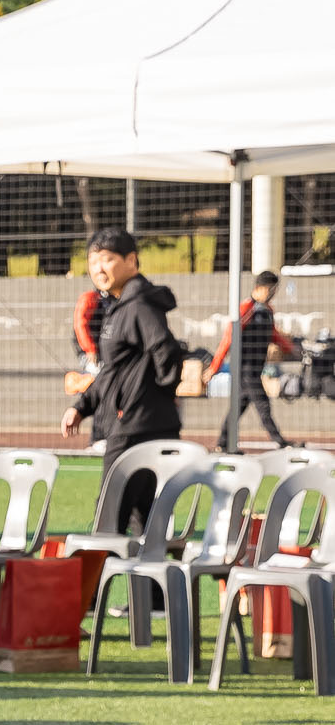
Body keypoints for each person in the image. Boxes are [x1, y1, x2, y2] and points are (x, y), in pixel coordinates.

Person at [63, 227, 183, 535]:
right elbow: (112, 371)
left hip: (134, 430)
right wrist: (82, 406)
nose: (98, 268)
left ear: (132, 261)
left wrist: (148, 399)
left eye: (107, 259)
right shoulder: (120, 306)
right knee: (144, 525)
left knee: (109, 522)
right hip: (137, 425)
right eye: (93, 261)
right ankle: (149, 585)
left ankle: (93, 585)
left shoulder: (139, 305)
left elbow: (166, 352)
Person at [208, 270, 295, 452]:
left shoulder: (268, 311)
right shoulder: (246, 309)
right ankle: (281, 442)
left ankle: (222, 444)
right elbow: (228, 339)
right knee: (262, 403)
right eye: (272, 289)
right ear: (262, 288)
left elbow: (274, 334)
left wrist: (293, 349)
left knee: (239, 406)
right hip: (244, 367)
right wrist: (214, 367)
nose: (273, 293)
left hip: (257, 367)